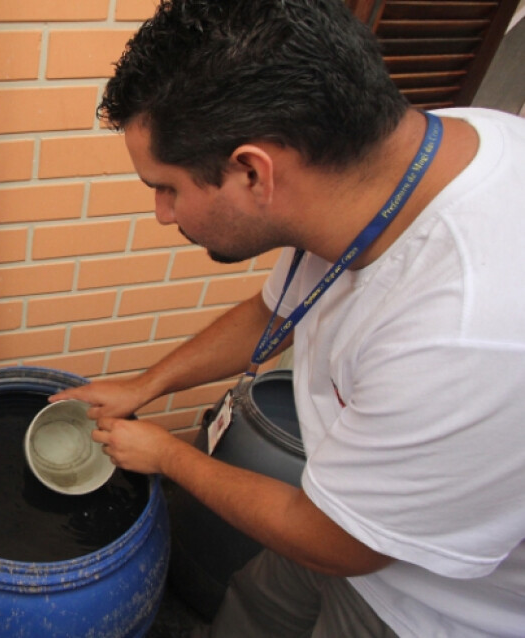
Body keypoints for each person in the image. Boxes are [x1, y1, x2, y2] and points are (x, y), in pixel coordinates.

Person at [50, 1, 525, 636]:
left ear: (252, 171)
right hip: (342, 510)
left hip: (423, 604)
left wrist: (167, 455)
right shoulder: (406, 156)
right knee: (253, 604)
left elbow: (340, 544)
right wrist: (147, 385)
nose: (163, 214)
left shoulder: (469, 332)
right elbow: (277, 309)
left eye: (165, 187)